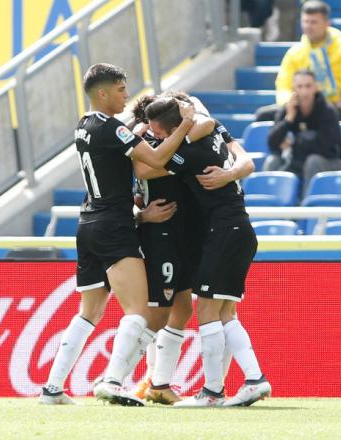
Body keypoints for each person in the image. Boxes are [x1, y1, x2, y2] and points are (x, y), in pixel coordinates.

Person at [39, 63, 196, 406]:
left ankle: (52, 388)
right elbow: (153, 158)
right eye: (122, 89)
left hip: (88, 223)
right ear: (103, 93)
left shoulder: (84, 125)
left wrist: (140, 214)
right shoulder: (113, 129)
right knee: (138, 312)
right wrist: (184, 124)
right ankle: (112, 382)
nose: (127, 95)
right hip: (114, 225)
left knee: (89, 312)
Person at [135, 97, 272, 407]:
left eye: (158, 132)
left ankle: (212, 392)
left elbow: (148, 166)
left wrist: (157, 134)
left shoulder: (185, 153)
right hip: (239, 230)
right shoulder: (212, 134)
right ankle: (254, 379)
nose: (154, 138)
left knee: (208, 312)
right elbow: (210, 124)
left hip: (224, 231)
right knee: (224, 314)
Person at [255, 0, 341, 121]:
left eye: (313, 22)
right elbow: (283, 85)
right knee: (263, 116)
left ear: (327, 23)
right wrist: (288, 102)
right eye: (305, 22)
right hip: (301, 107)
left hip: (335, 107)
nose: (308, 26)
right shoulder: (295, 52)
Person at [266, 69, 341, 193]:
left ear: (316, 87)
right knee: (273, 161)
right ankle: (271, 206)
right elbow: (272, 143)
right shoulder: (289, 109)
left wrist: (293, 144)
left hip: (331, 161)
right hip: (298, 160)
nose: (304, 91)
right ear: (293, 88)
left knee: (313, 161)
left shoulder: (328, 111)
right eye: (300, 86)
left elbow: (323, 148)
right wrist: (288, 120)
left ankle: (307, 209)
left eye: (308, 86)